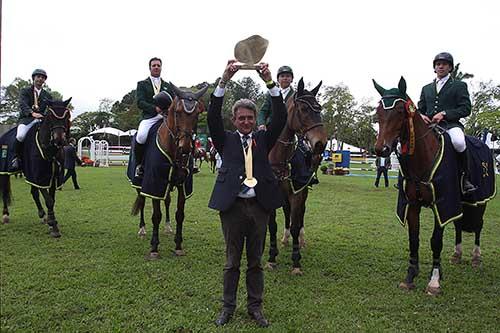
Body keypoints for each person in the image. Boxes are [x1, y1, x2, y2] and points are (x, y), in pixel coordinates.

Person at [208, 60, 286, 328]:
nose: (245, 121)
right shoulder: (225, 139)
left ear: (255, 120)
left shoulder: (264, 139)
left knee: (255, 262)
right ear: (234, 120)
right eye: (241, 118)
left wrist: (269, 81)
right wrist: (224, 80)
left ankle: (255, 307)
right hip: (232, 208)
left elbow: (281, 117)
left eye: (250, 118)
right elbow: (211, 116)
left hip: (259, 208)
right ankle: (227, 307)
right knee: (231, 263)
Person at [417, 52, 476, 194]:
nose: (441, 66)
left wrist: (444, 113)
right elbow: (420, 108)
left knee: (459, 142)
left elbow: (466, 108)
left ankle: (465, 178)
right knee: (405, 144)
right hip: (428, 126)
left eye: (444, 64)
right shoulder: (426, 88)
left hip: (450, 125)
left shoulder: (459, 85)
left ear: (450, 68)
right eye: (438, 64)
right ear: (434, 67)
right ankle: (407, 179)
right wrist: (421, 116)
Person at [257, 65, 318, 190]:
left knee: (305, 151)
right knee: (257, 149)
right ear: (278, 79)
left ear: (292, 79)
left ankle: (305, 177)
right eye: (282, 76)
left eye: (288, 76)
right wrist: (261, 124)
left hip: (291, 130)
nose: (285, 78)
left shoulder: (297, 95)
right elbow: (263, 111)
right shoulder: (271, 94)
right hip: (272, 129)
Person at [134, 57, 175, 177]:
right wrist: (154, 108)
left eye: (158, 65)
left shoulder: (167, 85)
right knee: (141, 136)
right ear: (150, 68)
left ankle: (186, 164)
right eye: (154, 65)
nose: (156, 67)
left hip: (166, 117)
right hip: (150, 117)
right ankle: (139, 165)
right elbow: (140, 102)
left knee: (182, 132)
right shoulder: (142, 84)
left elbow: (173, 101)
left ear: (161, 67)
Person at [10, 69, 53, 171]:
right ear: (33, 78)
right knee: (20, 135)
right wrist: (32, 113)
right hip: (27, 119)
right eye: (38, 77)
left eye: (42, 77)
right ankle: (16, 158)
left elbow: (51, 107)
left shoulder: (47, 95)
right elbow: (22, 104)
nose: (40, 79)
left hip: (41, 120)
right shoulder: (25, 91)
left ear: (44, 80)